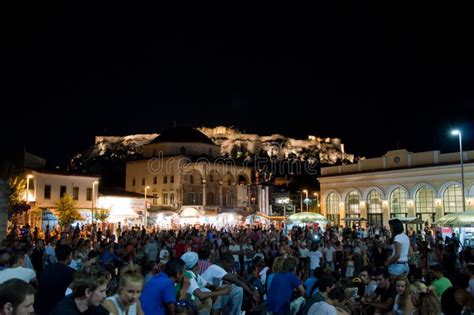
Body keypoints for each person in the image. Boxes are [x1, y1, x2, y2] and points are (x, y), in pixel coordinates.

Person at [34, 244, 75, 315]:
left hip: (41, 308)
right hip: (57, 309)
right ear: (69, 256)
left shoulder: (47, 269)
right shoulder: (72, 273)